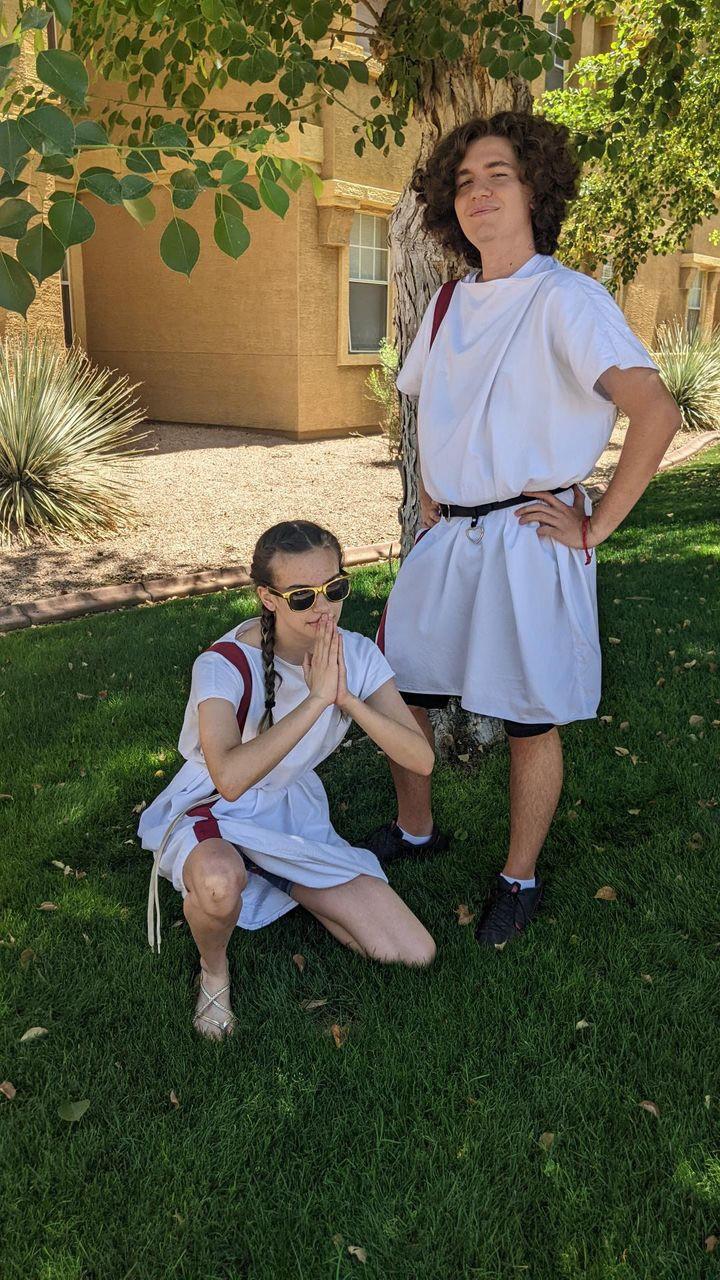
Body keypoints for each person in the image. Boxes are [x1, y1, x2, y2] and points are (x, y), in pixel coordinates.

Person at [367, 111, 681, 947]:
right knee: (404, 691)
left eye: (498, 174)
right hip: (449, 542)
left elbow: (655, 410)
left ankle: (519, 875)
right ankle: (415, 830)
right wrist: (433, 487)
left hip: (531, 540)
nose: (479, 194)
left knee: (527, 719)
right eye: (464, 181)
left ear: (536, 187)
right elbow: (431, 403)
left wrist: (594, 528)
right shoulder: (443, 305)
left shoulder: (568, 299)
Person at [139, 520, 436, 1038]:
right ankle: (215, 969)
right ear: (268, 598)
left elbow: (420, 758)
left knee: (412, 952)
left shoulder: (357, 654)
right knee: (217, 883)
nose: (324, 608)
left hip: (287, 810)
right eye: (302, 597)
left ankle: (279, 875)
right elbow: (228, 778)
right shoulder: (224, 664)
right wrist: (319, 698)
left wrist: (345, 698)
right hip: (211, 807)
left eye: (335, 589)